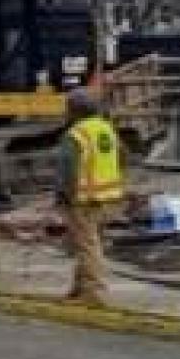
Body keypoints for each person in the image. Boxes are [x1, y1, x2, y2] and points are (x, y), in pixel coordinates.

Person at [56, 88, 125, 305]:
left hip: (84, 200)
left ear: (74, 110)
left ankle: (92, 293)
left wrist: (64, 196)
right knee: (89, 243)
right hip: (109, 197)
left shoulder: (76, 134)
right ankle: (79, 288)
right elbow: (123, 156)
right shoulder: (106, 129)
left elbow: (67, 170)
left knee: (87, 245)